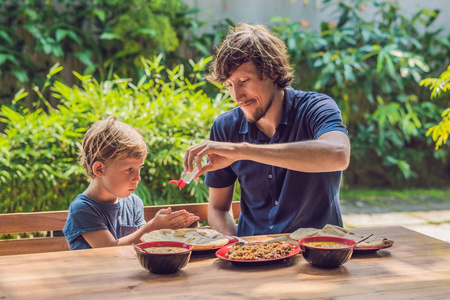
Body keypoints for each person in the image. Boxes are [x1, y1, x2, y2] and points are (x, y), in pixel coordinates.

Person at [183, 23, 351, 237]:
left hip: (317, 253)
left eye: (244, 81)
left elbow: (338, 155)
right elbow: (217, 208)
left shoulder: (317, 107)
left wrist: (242, 151)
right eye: (228, 85)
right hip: (254, 256)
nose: (237, 96)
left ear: (272, 72)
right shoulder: (225, 127)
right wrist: (236, 249)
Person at [63, 116, 199, 250]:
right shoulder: (83, 209)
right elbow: (109, 250)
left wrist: (172, 229)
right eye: (129, 169)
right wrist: (154, 226)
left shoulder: (134, 204)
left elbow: (144, 245)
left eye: (139, 168)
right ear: (99, 169)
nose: (138, 178)